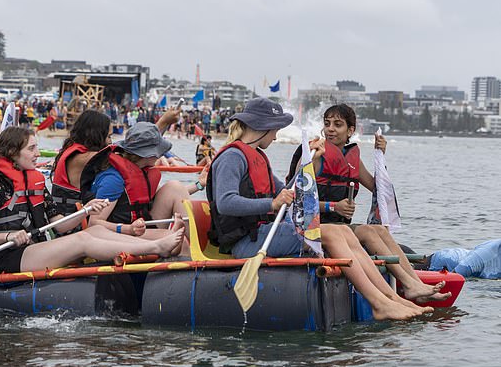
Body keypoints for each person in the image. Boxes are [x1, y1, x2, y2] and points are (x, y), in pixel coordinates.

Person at [207, 97, 430, 321]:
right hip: (247, 242)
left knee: (341, 231)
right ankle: (380, 304)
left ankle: (391, 299)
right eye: (275, 129)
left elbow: (289, 190)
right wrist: (272, 203)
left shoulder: (258, 157)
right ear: (262, 127)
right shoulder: (232, 157)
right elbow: (226, 202)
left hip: (266, 233)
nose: (276, 136)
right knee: (332, 231)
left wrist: (307, 162)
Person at [286, 104, 449, 303]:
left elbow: (377, 188)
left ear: (350, 130)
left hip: (340, 229)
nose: (330, 129)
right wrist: (332, 206)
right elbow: (295, 197)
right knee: (368, 231)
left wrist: (381, 155)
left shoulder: (351, 159)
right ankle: (408, 285)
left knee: (379, 230)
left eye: (338, 125)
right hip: (312, 230)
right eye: (327, 124)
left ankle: (415, 283)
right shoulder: (314, 154)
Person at [0, 126, 184, 274]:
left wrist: (87, 210)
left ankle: (156, 246)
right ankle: (158, 246)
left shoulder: (34, 181)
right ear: (13, 152)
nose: (37, 153)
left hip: (38, 248)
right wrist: (9, 236)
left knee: (95, 231)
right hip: (10, 257)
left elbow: (59, 225)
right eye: (31, 149)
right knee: (82, 241)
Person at [81, 122, 204, 240]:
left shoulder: (143, 170)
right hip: (119, 235)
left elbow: (169, 195)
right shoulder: (113, 179)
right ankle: (192, 254)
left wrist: (200, 184)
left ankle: (196, 246)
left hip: (140, 227)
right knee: (177, 241)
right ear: (148, 155)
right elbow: (94, 223)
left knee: (175, 187)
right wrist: (127, 229)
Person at [51, 110, 112, 216]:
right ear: (97, 135)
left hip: (65, 213)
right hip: (70, 219)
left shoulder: (73, 148)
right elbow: (121, 161)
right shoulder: (85, 157)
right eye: (109, 136)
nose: (111, 141)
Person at [405, 239, 501, 279]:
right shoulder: (486, 254)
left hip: (461, 257)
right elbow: (454, 276)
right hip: (444, 262)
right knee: (408, 268)